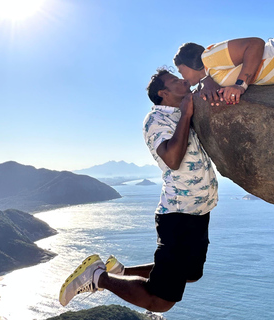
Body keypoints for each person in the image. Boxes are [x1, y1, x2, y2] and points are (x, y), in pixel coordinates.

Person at [58, 68, 218, 312]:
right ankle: (98, 276)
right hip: (178, 216)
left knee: (192, 274)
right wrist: (186, 115)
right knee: (161, 301)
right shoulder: (156, 120)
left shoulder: (183, 108)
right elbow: (172, 160)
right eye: (175, 80)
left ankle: (120, 271)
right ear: (163, 93)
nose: (183, 80)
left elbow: (208, 80)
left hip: (198, 213)